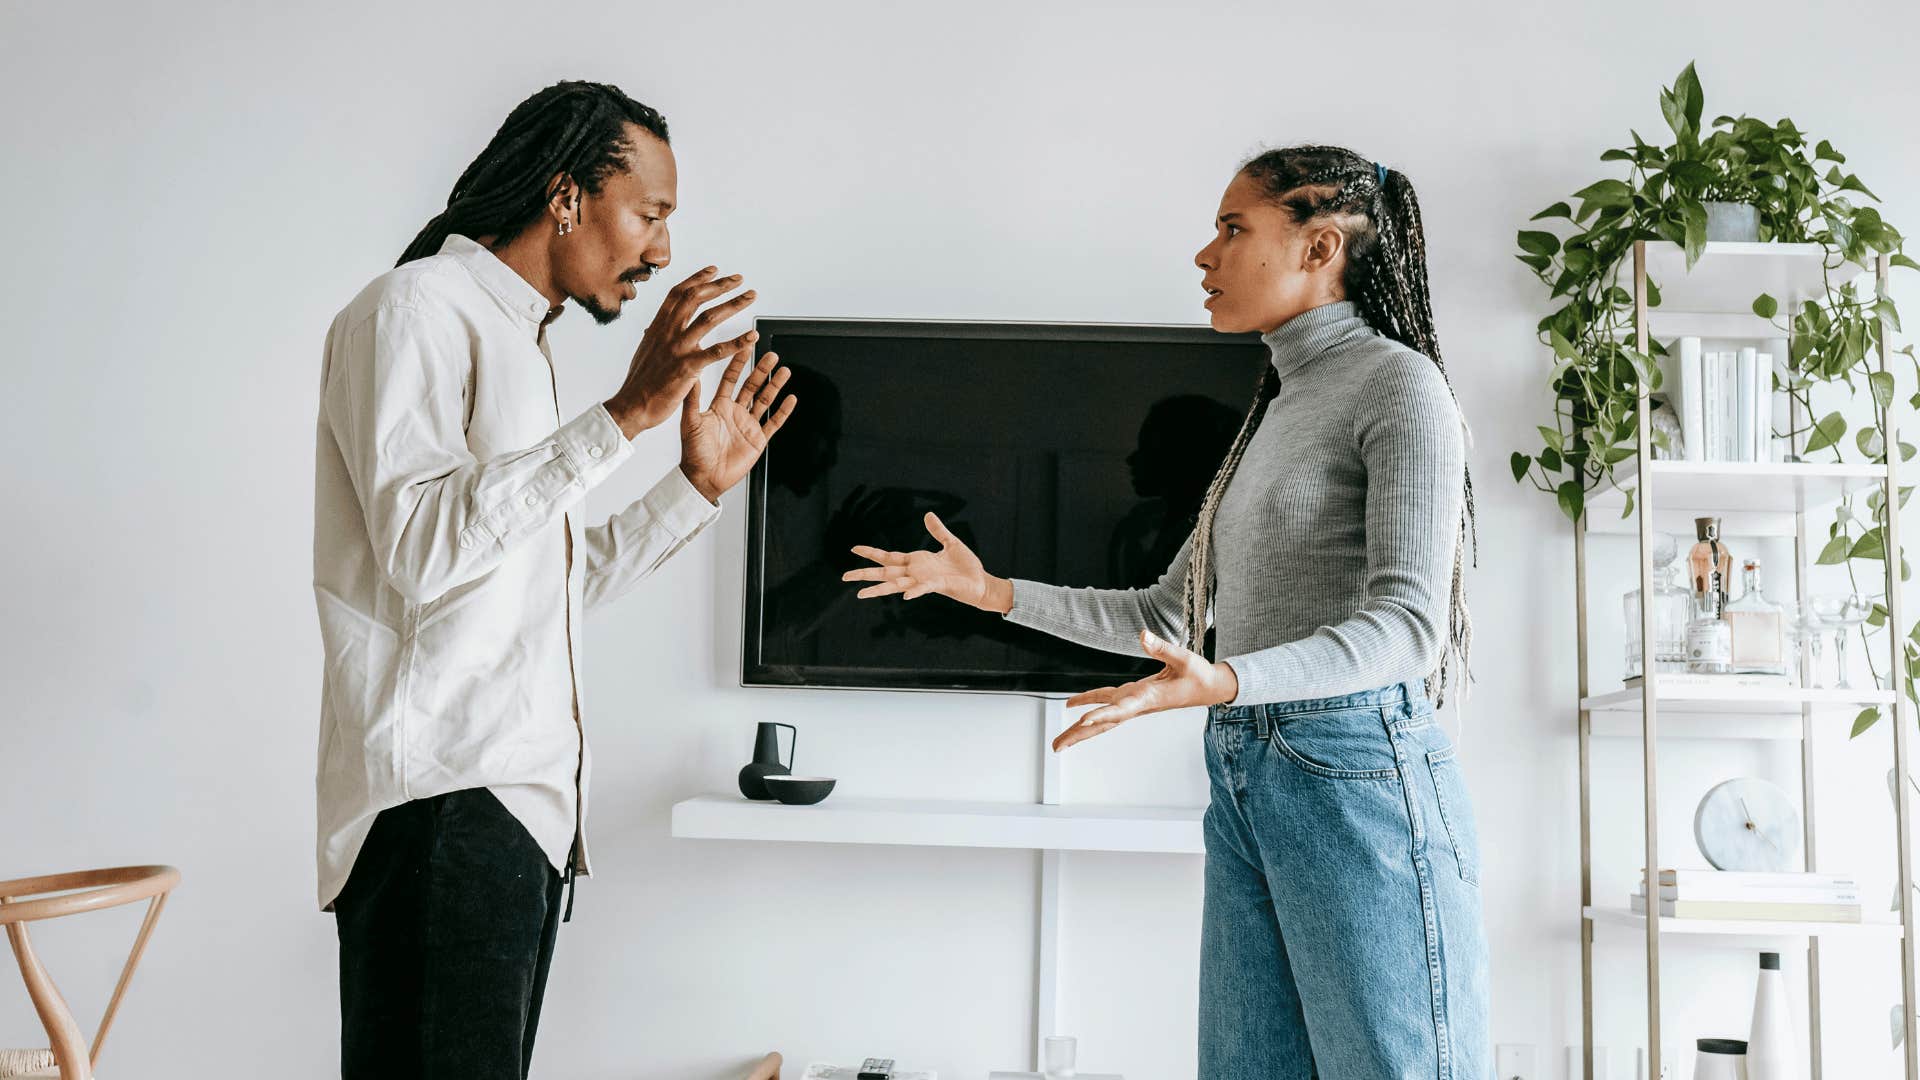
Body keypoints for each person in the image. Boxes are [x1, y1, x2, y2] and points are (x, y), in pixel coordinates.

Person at [843, 145, 1490, 1079]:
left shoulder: (1401, 388)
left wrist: (1231, 680)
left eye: (1233, 229)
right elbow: (1165, 612)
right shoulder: (1277, 405)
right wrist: (987, 592)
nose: (1204, 254)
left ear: (1319, 247)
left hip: (1359, 778)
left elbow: (1408, 628)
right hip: (1248, 775)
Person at [311, 80, 795, 1079]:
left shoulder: (525, 352)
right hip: (446, 810)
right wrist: (622, 416)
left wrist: (694, 486)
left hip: (516, 824)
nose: (660, 251)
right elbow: (419, 547)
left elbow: (545, 582)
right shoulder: (413, 310)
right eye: (650, 214)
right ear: (566, 196)